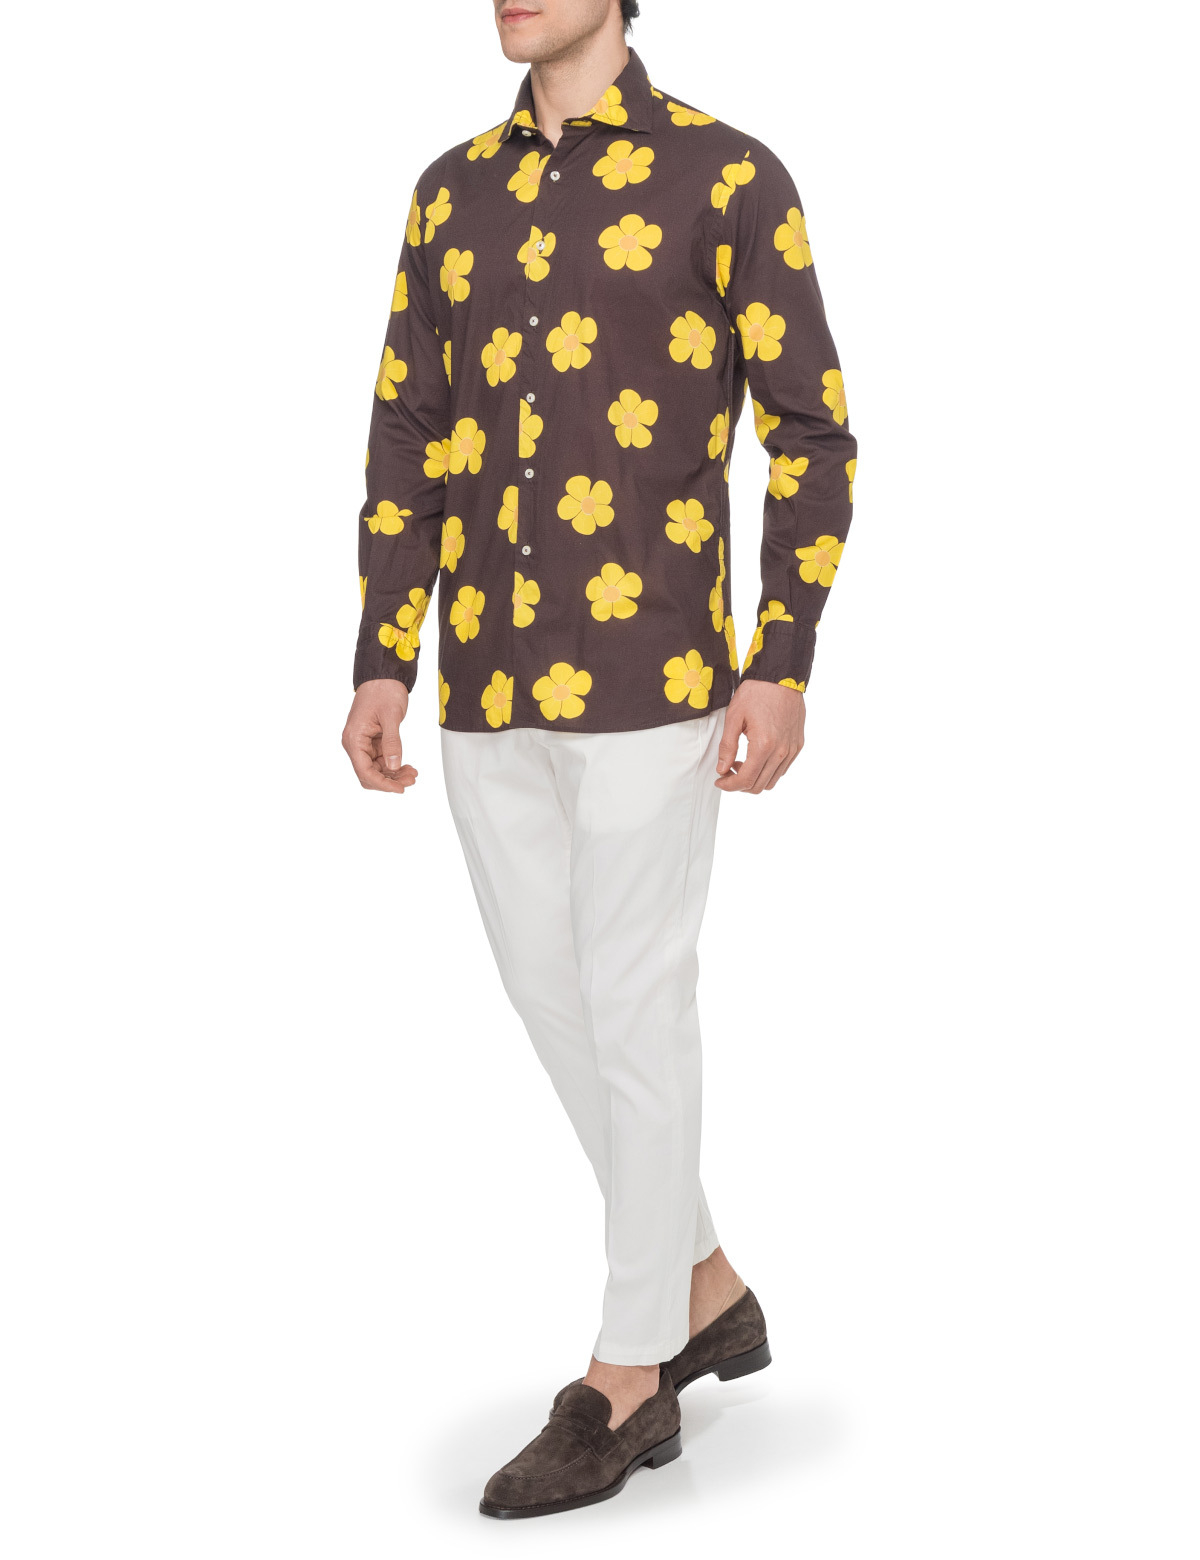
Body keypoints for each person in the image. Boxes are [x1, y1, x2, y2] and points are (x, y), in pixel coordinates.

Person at [341, 0, 856, 1519]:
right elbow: (408, 426)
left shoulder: (728, 176)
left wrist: (782, 658)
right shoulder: (450, 191)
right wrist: (384, 646)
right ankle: (704, 1281)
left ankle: (631, 1374)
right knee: (552, 993)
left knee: (637, 999)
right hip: (486, 673)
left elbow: (812, 433)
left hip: (657, 677)